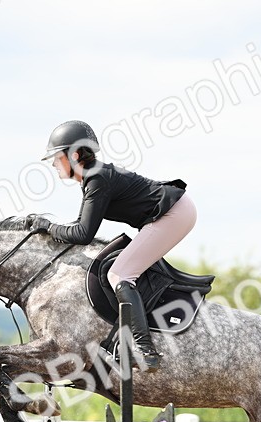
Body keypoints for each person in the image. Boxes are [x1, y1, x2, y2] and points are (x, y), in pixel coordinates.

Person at [29, 120, 197, 372]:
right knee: (121, 270)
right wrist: (50, 228)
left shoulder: (97, 178)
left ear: (74, 155)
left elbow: (83, 234)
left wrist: (48, 226)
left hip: (173, 214)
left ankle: (144, 350)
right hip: (174, 212)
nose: (53, 164)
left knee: (119, 274)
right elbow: (80, 224)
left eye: (56, 157)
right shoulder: (94, 176)